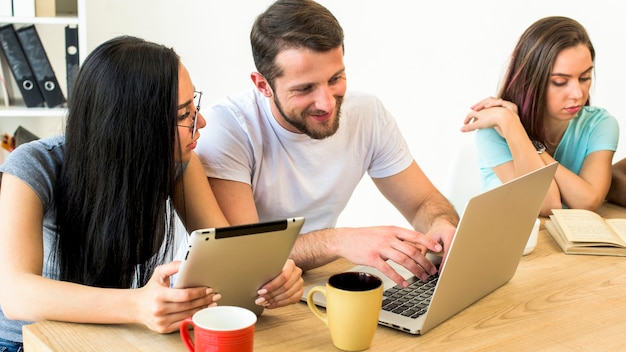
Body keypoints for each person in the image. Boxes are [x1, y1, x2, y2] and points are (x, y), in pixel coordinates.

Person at [0, 36, 303, 351]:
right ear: (132, 126)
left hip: (110, 335)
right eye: (184, 115)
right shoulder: (34, 165)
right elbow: (16, 295)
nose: (201, 122)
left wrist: (271, 278)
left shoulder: (178, 161)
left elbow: (228, 256)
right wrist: (137, 305)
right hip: (25, 341)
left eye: (194, 106)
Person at [195, 0, 458, 289]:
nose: (327, 103)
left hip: (305, 288)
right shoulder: (227, 127)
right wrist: (340, 240)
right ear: (262, 85)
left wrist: (440, 224)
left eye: (336, 78)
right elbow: (246, 254)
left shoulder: (367, 114)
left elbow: (422, 203)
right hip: (233, 298)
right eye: (305, 88)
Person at [461, 16, 619, 216]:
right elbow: (545, 203)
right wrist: (511, 125)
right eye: (560, 82)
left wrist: (529, 142)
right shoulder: (495, 129)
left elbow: (588, 201)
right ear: (531, 81)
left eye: (585, 78)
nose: (578, 94)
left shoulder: (600, 124)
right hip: (511, 241)